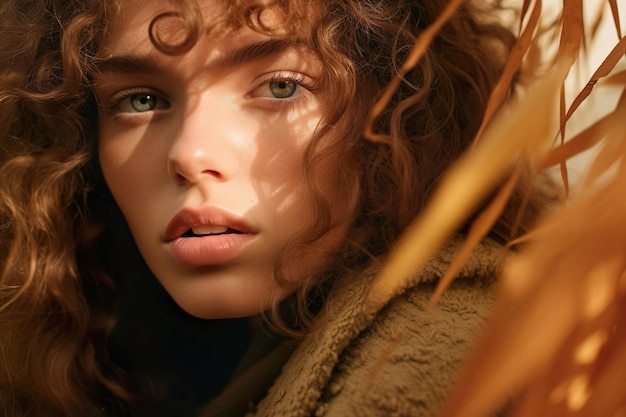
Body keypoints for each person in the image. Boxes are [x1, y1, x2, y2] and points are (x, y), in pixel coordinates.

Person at [0, 0, 550, 416]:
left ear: (397, 108)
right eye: (141, 100)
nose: (190, 155)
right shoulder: (69, 332)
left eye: (282, 86)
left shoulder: (453, 357)